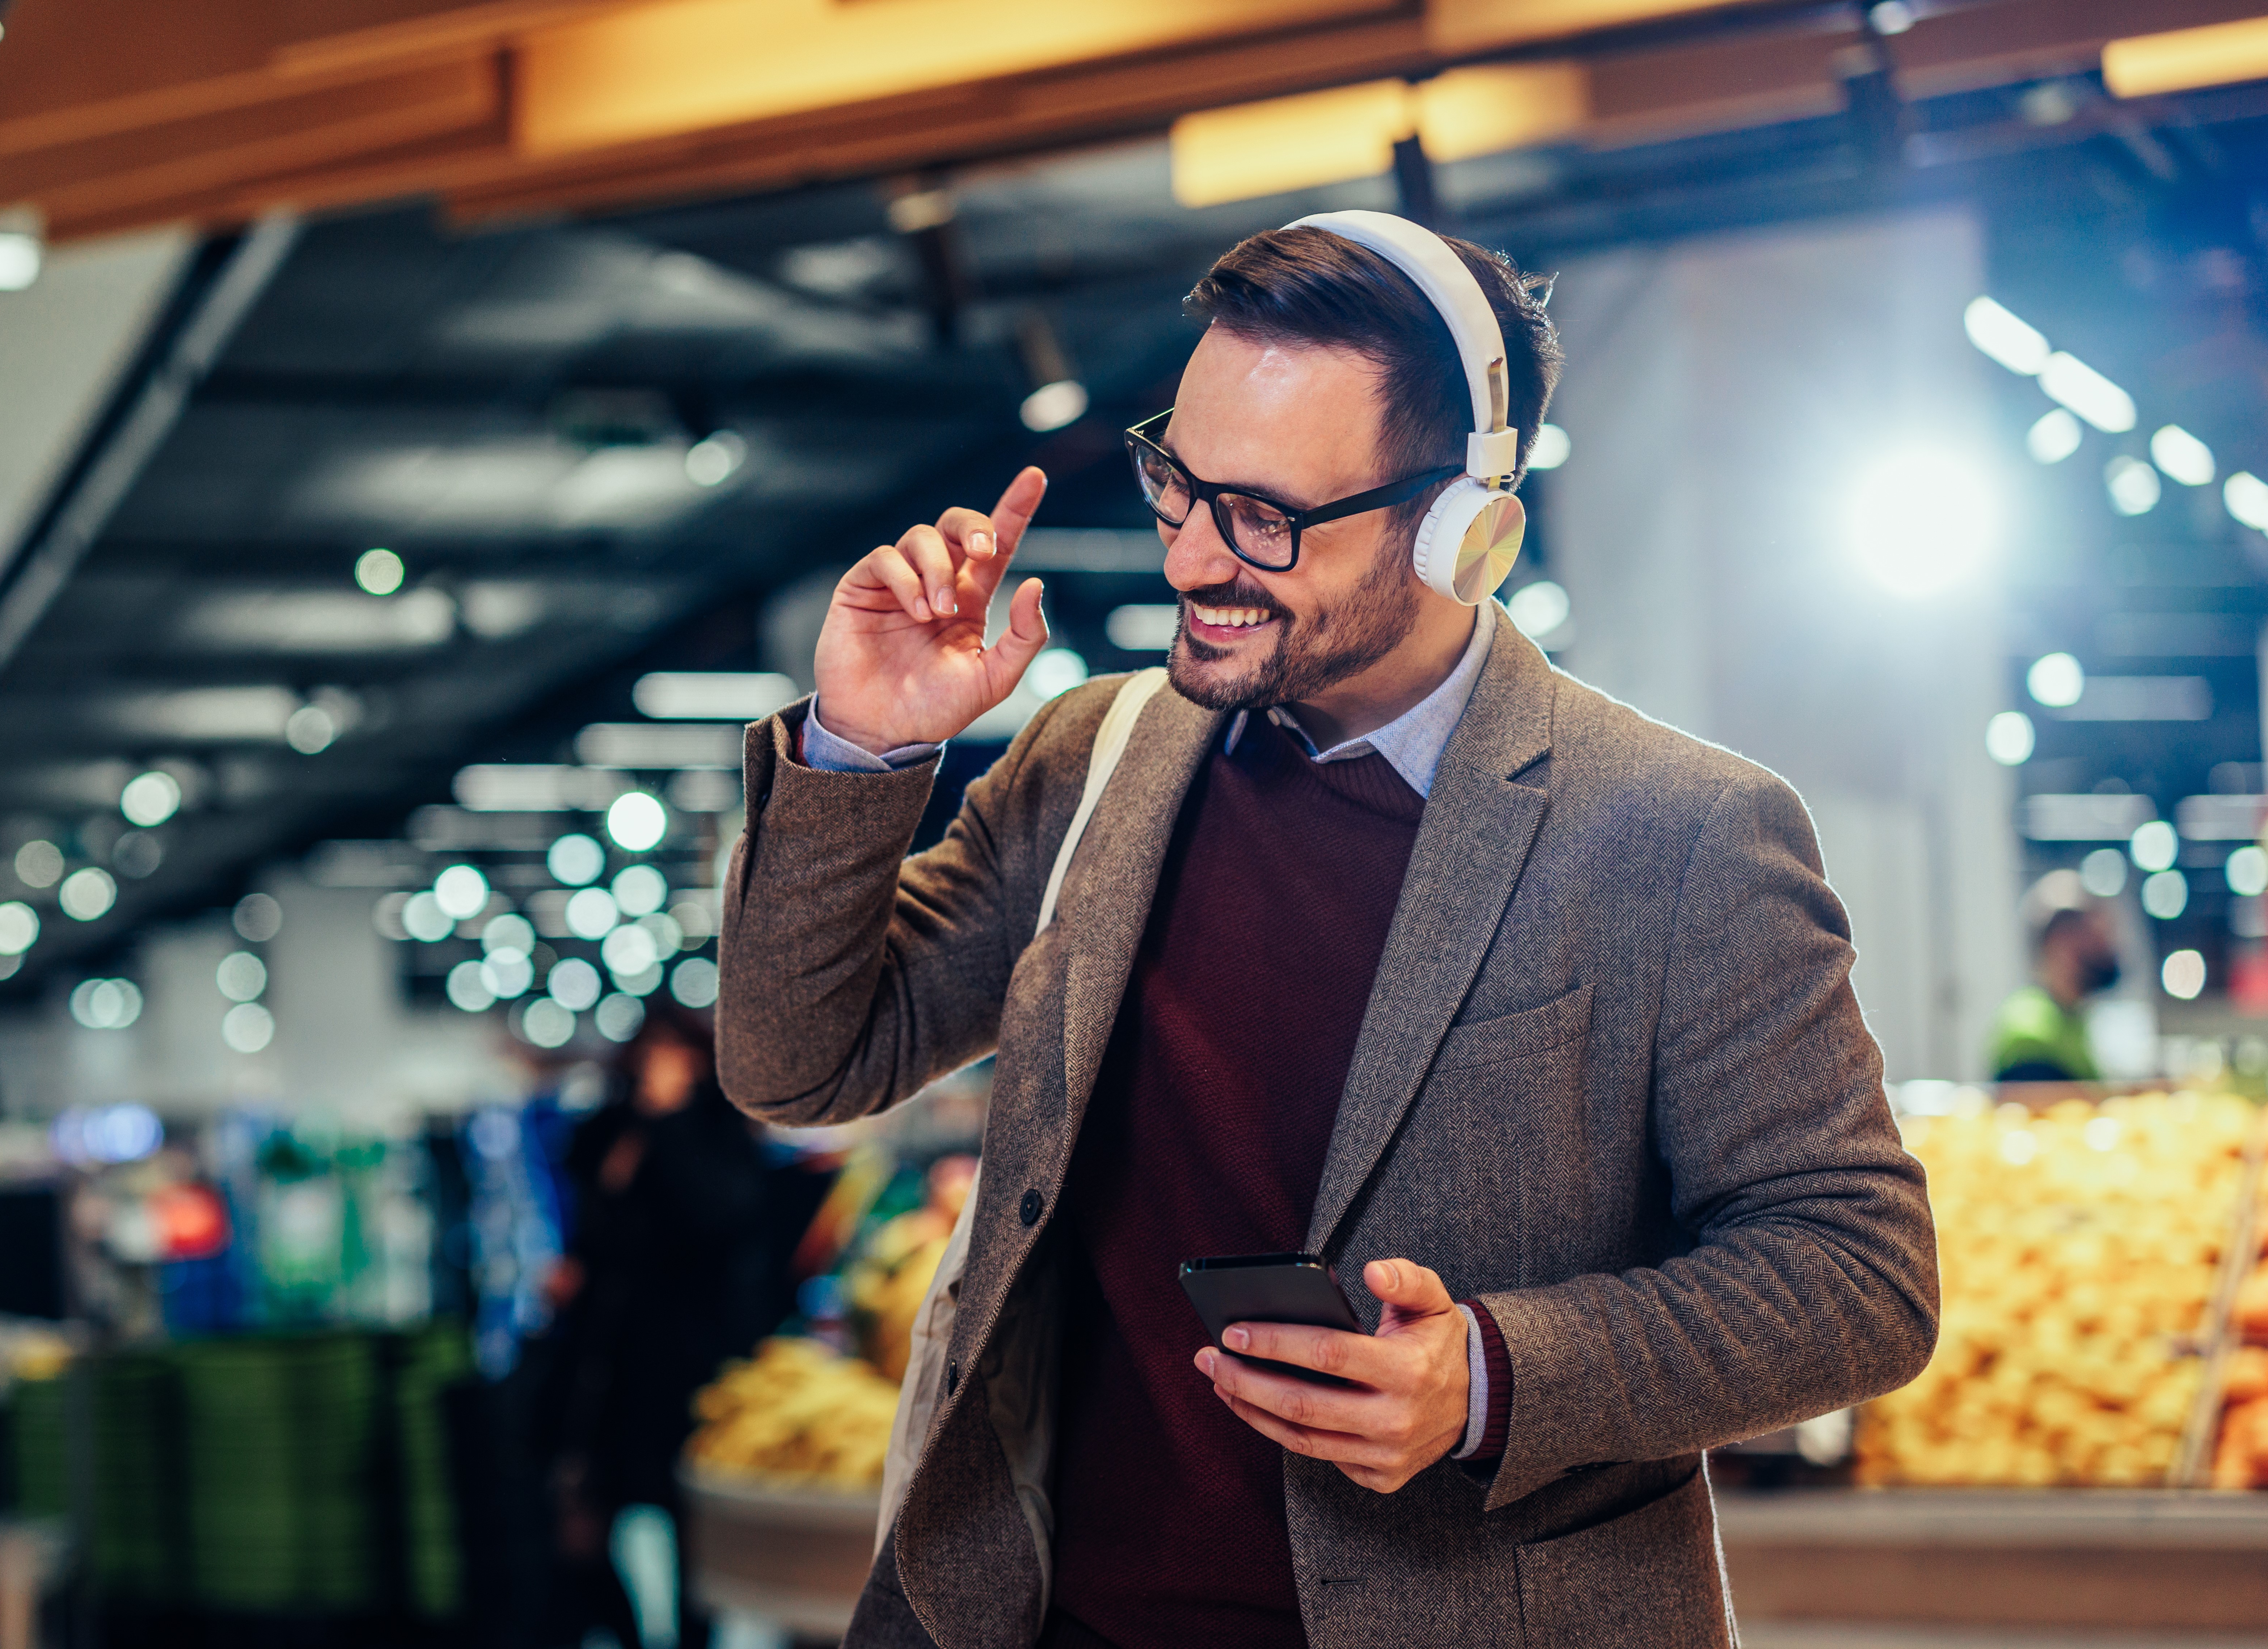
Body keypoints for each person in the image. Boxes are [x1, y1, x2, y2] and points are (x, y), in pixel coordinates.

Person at [713, 212, 1939, 1649]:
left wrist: (1489, 1373)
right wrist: (861, 746)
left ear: (1460, 529)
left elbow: (1855, 1273)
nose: (1194, 562)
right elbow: (801, 1067)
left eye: (1269, 519)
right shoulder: (1095, 757)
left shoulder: (1679, 832)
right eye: (1182, 484)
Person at [542, 1005, 773, 1649]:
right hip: (605, 1361)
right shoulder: (610, 1130)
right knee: (585, 1520)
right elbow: (593, 1221)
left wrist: (671, 1121)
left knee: (688, 1525)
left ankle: (690, 1637)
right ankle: (627, 1633)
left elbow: (717, 1219)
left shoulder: (716, 1135)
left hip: (688, 1360)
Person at [1989, 905, 2121, 1081]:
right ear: (2062, 944)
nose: (2108, 951)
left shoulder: (2068, 1015)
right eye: (2097, 940)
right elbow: (2051, 1107)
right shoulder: (2032, 1028)